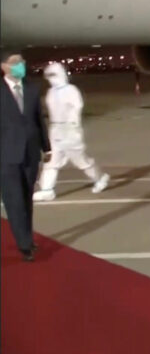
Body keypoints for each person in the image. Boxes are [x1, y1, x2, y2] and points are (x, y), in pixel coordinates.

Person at [32, 62, 110, 201]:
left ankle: (100, 178)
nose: (51, 78)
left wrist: (73, 127)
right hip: (55, 130)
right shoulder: (51, 92)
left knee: (81, 161)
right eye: (49, 75)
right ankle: (47, 190)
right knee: (51, 161)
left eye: (53, 75)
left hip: (70, 130)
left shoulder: (71, 90)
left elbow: (77, 108)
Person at [0, 48, 51, 262]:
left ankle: (27, 237)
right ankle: (24, 245)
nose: (20, 65)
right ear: (4, 67)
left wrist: (46, 147)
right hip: (6, 155)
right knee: (14, 201)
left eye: (21, 61)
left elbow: (39, 120)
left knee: (26, 199)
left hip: (30, 153)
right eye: (14, 62)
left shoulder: (31, 88)